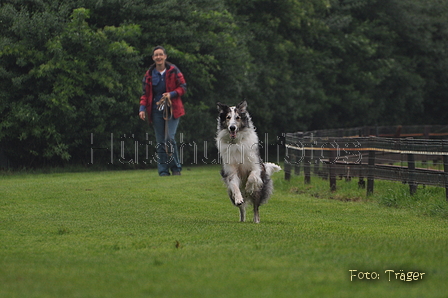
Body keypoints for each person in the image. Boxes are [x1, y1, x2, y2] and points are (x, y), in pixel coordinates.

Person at [139, 46, 187, 176]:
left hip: (173, 109)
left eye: (161, 54)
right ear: (153, 58)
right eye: (156, 55)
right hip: (156, 110)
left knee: (169, 138)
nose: (158, 57)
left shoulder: (173, 70)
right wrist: (142, 108)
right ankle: (163, 171)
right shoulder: (149, 74)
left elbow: (183, 87)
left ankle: (176, 168)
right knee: (160, 141)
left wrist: (171, 94)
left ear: (165, 56)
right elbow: (145, 93)